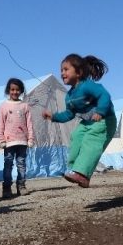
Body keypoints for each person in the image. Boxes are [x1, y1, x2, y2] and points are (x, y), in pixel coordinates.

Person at [42, 54, 116, 188]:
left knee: (90, 141)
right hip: (88, 123)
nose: (62, 73)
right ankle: (74, 169)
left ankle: (83, 173)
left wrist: (100, 111)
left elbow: (104, 95)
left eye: (66, 69)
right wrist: (53, 116)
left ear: (79, 72)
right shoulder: (69, 96)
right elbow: (69, 114)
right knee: (76, 136)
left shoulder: (87, 86)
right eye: (61, 70)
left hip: (104, 120)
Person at [0, 78, 35, 198]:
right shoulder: (3, 106)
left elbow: (29, 123)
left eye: (17, 90)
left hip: (22, 141)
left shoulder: (24, 106)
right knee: (8, 164)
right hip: (8, 142)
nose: (15, 92)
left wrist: (30, 138)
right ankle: (7, 188)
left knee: (21, 164)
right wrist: (0, 139)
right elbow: (0, 124)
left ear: (21, 91)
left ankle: (21, 186)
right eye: (12, 89)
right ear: (8, 90)